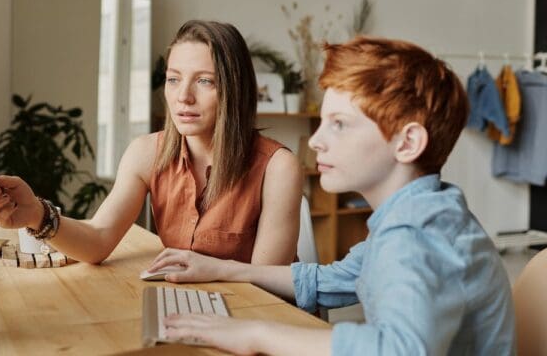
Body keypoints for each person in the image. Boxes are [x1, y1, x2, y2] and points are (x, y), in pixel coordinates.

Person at [146, 37, 516, 355]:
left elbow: (399, 350)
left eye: (338, 124)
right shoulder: (421, 214)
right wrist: (221, 269)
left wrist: (258, 333)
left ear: (408, 143)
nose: (318, 140)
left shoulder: (417, 235)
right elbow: (329, 281)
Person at [0, 20, 302, 265]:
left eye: (205, 81)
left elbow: (267, 287)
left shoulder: (278, 167)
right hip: (187, 309)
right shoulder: (147, 152)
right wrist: (36, 214)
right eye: (174, 79)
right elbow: (98, 239)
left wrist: (202, 272)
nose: (183, 97)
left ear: (235, 90)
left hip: (253, 322)